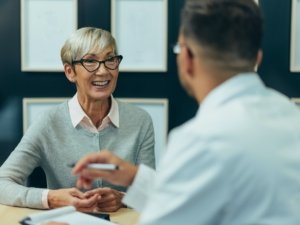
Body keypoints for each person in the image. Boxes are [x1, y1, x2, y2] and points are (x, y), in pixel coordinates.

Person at [71, 0, 300, 224]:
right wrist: (134, 177)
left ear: (187, 58)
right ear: (256, 57)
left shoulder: (201, 140)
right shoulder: (291, 116)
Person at [0, 27, 155, 212]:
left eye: (110, 59)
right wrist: (50, 198)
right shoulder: (48, 123)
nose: (104, 71)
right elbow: (2, 182)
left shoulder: (141, 120)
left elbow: (152, 191)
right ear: (70, 72)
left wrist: (123, 198)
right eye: (90, 61)